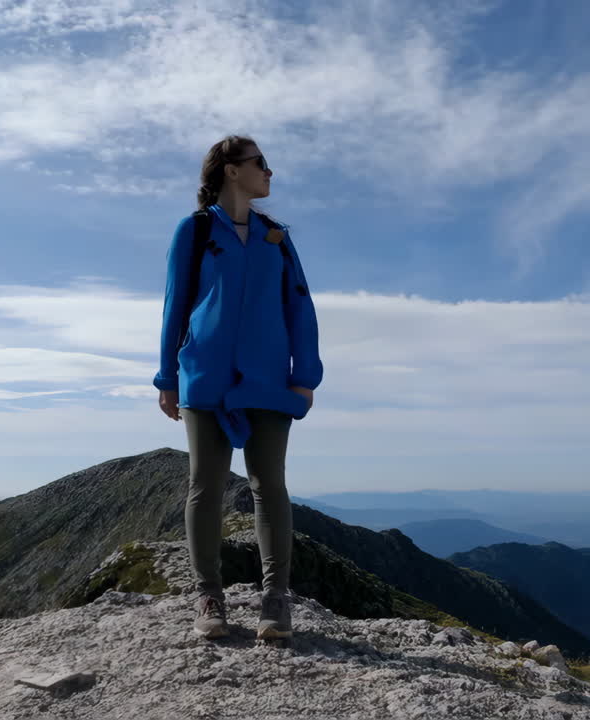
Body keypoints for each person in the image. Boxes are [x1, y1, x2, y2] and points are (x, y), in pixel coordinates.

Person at [152, 135, 324, 641]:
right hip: (205, 374)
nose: (269, 173)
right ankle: (210, 596)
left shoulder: (276, 236)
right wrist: (167, 376)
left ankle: (275, 599)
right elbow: (174, 305)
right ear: (230, 170)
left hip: (270, 376)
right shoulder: (197, 230)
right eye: (260, 164)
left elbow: (300, 305)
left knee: (269, 487)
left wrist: (305, 374)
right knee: (204, 487)